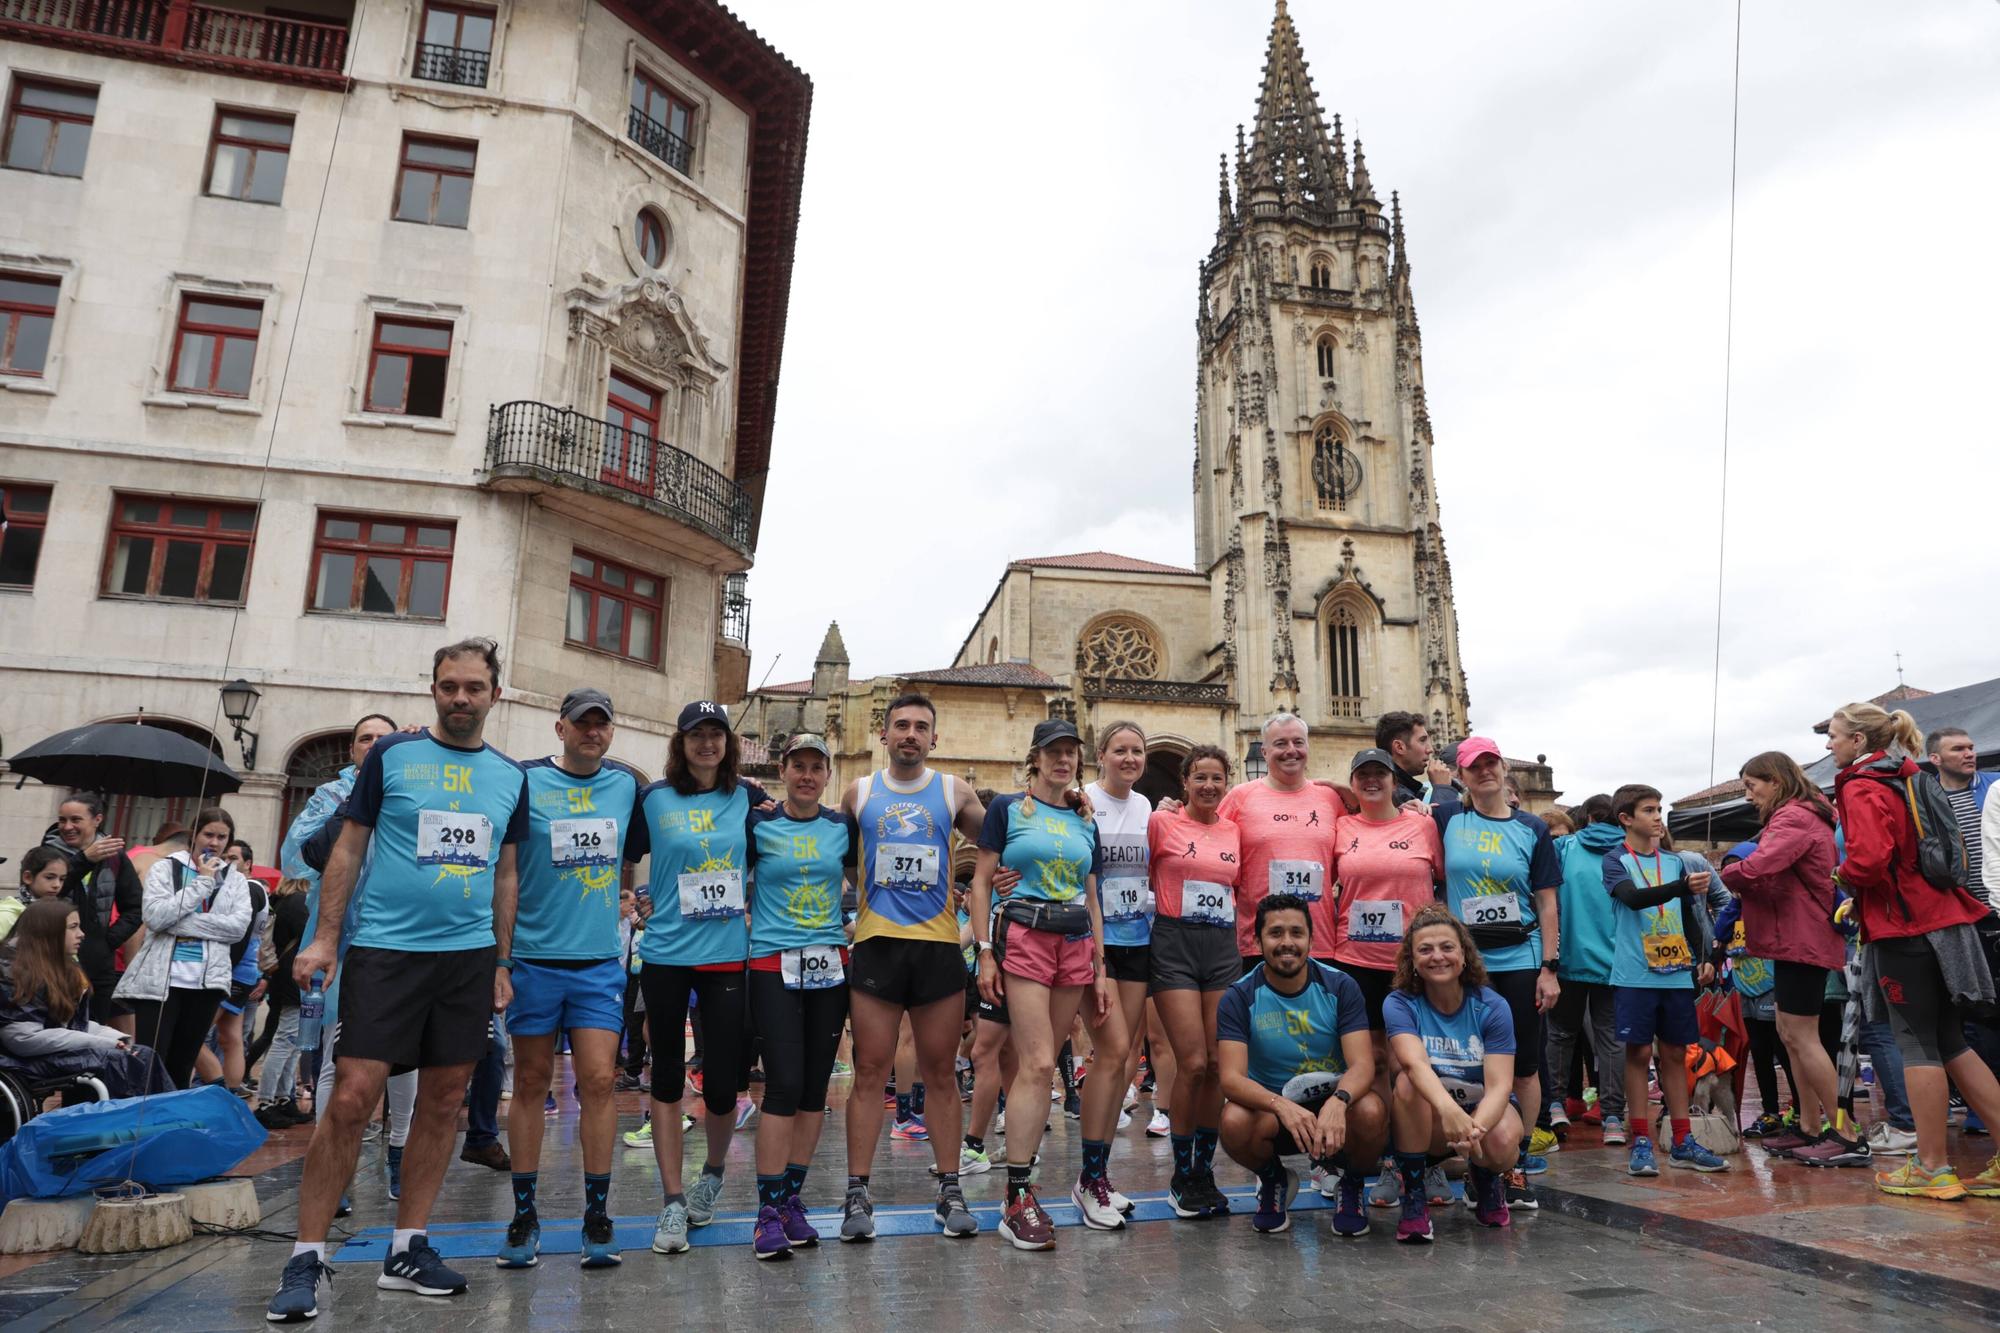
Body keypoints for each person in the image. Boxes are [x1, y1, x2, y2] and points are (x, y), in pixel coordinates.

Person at [265, 639, 529, 1321]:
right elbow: (348, 845)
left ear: (495, 694)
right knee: (353, 1096)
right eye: (449, 686)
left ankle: (408, 1246)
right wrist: (325, 936)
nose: (461, 697)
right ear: (434, 690)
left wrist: (501, 962)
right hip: (387, 950)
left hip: (467, 960)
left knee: (443, 1100)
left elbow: (504, 873)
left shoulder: (509, 776)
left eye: (474, 686)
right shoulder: (392, 755)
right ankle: (307, 1255)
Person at [1826, 702, 2000, 1200]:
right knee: (1952, 1042)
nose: (1829, 744)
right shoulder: (1911, 774)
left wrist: (1844, 879)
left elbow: (1869, 858)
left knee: (1916, 1043)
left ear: (1859, 742)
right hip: (1947, 918)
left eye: (1834, 735)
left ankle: (1931, 1166)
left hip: (1906, 928)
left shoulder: (1861, 785)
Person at [498, 688, 644, 1271]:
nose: (592, 732)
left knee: (600, 1082)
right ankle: (525, 1213)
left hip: (596, 962)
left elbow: (681, 812)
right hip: (532, 959)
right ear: (560, 728)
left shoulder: (627, 787)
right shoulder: (524, 780)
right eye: (581, 723)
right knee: (532, 1082)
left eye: (601, 724)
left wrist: (752, 795)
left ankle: (596, 1214)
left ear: (611, 732)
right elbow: (504, 871)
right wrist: (501, 960)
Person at [838, 693, 987, 1242]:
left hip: (937, 947)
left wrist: (1000, 879)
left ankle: (951, 1191)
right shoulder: (860, 793)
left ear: (934, 738)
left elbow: (995, 843)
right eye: (901, 724)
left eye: (921, 726)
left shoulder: (953, 790)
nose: (910, 733)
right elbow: (827, 854)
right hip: (878, 944)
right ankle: (857, 1192)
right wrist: (842, 915)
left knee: (941, 1072)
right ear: (884, 734)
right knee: (871, 1073)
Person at [626, 700, 766, 1255]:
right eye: (696, 735)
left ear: (727, 743)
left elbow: (779, 850)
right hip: (665, 954)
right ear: (680, 743)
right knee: (664, 1074)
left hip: (727, 955)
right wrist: (636, 897)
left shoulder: (749, 798)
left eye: (716, 734)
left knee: (725, 1078)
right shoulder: (654, 798)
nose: (707, 743)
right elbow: (623, 849)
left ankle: (711, 1173)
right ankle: (672, 1199)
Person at [972, 718, 1108, 1248]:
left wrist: (1101, 967)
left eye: (1071, 752)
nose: (1064, 759)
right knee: (1033, 1064)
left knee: (1047, 1064)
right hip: (1024, 933)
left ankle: (1022, 1190)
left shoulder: (1083, 818)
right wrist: (985, 951)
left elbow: (1091, 897)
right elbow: (981, 883)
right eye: (1054, 751)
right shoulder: (1007, 809)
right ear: (1036, 757)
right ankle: (1017, 1195)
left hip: (1073, 941)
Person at [1431, 736, 1560, 1206]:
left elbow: (1547, 902)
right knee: (1471, 1063)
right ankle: (1473, 1160)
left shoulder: (1532, 828)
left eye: (1491, 763)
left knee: (1524, 1066)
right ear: (1461, 776)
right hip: (1465, 962)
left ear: (1504, 769)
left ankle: (1514, 1162)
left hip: (1522, 957)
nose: (1484, 771)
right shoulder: (1446, 817)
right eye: (1474, 766)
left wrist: (1550, 967)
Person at [743, 733, 855, 1261]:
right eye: (798, 766)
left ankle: (791, 1200)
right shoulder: (759, 823)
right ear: (782, 771)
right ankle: (766, 1211)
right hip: (772, 964)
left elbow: (873, 874)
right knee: (783, 1084)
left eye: (816, 767)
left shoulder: (840, 827)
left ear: (828, 775)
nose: (807, 775)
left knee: (815, 1089)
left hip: (829, 968)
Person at [1715, 752, 1857, 1164]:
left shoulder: (1793, 818)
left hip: (1801, 936)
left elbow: (1760, 866)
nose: (1748, 795)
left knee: (1801, 1037)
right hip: (1795, 937)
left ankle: (1846, 1133)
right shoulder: (1805, 814)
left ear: (1775, 781)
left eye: (1751, 786)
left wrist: (1730, 873)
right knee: (1791, 1036)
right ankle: (1810, 1125)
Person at [1216, 893, 1384, 1237]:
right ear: (1257, 940)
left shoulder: (1340, 986)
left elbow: (1363, 1064)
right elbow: (1230, 1080)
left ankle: (1349, 1184)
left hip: (1331, 1112)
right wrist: (1282, 1106)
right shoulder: (1239, 996)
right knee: (1233, 1120)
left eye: (1296, 933)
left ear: (1311, 938)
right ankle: (1274, 1179)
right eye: (1276, 933)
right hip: (1275, 1113)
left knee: (1370, 1111)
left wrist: (1339, 1102)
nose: (1287, 943)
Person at [1325, 747, 1444, 1209]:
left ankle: (1424, 1159)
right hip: (1354, 959)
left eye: (1381, 774)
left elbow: (1444, 879)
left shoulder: (1423, 824)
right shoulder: (1341, 827)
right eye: (1363, 775)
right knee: (1371, 1062)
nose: (1372, 781)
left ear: (1395, 780)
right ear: (1353, 784)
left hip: (1410, 962)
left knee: (1410, 1063)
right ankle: (1387, 1160)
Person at [1601, 785, 1729, 1176]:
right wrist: (1681, 887)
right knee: (1639, 1054)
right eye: (1649, 810)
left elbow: (1693, 917)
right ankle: (1640, 1139)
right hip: (1635, 974)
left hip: (1675, 973)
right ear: (1626, 819)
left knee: (1676, 1055)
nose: (1658, 817)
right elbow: (1633, 899)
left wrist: (1707, 957)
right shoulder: (1615, 860)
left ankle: (1683, 1141)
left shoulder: (1675, 862)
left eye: (1659, 809)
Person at [1383, 906, 1526, 1242]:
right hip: (1432, 1116)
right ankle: (1414, 1194)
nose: (1438, 957)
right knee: (1406, 1083)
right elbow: (1415, 1064)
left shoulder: (1493, 1006)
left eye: (1447, 947)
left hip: (1480, 1113)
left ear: (1464, 955)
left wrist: (1474, 1131)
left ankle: (1485, 1175)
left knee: (1503, 1142)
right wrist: (1448, 1111)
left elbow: (1501, 1085)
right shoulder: (1400, 1003)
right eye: (1425, 949)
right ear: (1412, 960)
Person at [1148, 745, 1242, 1219]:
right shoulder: (1161, 823)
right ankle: (1182, 1173)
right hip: (1174, 943)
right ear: (1184, 783)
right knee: (1191, 1063)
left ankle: (1204, 1171)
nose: (1208, 786)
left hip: (1222, 948)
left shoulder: (1234, 830)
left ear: (1227, 783)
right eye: (1199, 777)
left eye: (1217, 778)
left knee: (1215, 1064)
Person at [113, 806, 253, 1091]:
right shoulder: (166, 868)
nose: (214, 842)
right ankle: (144, 1121)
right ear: (195, 835)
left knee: (183, 1063)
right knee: (152, 1061)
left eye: (221, 837)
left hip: (207, 983)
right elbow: (155, 917)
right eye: (208, 834)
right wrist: (201, 883)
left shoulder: (236, 879)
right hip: (162, 980)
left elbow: (237, 928)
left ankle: (170, 1124)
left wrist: (180, 923)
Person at [0, 898, 171, 1098]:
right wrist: (101, 1043)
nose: (81, 934)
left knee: (142, 1054)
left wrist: (117, 1039)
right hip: (18, 1059)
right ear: (48, 931)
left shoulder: (61, 966)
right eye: (73, 927)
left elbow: (75, 1025)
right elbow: (22, 1039)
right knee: (117, 1061)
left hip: (50, 1049)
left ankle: (164, 1120)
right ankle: (118, 1124)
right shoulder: (11, 970)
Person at [1083, 721, 1152, 1211]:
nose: (1129, 758)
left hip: (1138, 937)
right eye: (1120, 750)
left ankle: (1099, 1171)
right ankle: (1089, 1177)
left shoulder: (1147, 805)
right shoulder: (1080, 799)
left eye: (1137, 751)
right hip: (1093, 941)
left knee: (1125, 1055)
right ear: (1101, 754)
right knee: (1108, 1054)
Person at [1219, 714, 1342, 973]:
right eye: (1281, 744)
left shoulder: (1332, 799)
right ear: (1264, 752)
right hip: (1258, 943)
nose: (1291, 751)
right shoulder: (1239, 797)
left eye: (1298, 742)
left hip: (1318, 941)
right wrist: (1175, 811)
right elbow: (1207, 840)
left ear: (1308, 747)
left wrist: (1410, 807)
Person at [1546, 794, 1628, 1145]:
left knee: (1560, 1034)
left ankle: (1555, 1105)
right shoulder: (1629, 849)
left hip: (1569, 958)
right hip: (1617, 961)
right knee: (1611, 1040)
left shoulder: (1565, 847)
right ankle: (1612, 1117)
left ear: (1587, 818)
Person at [52, 794, 143, 1030]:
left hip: (99, 967)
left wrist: (106, 941)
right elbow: (47, 896)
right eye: (62, 820)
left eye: (76, 820)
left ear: (97, 820)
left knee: (93, 1033)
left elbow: (136, 907)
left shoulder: (114, 856)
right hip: (55, 962)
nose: (67, 827)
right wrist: (84, 860)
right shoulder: (49, 853)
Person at [254, 877, 314, 1129]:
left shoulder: (283, 900)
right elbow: (312, 935)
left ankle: (282, 1098)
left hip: (285, 977)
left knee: (292, 1042)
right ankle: (267, 1101)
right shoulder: (300, 902)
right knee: (286, 1041)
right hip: (294, 980)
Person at [1, 846, 72, 942]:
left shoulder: (60, 913)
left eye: (62, 879)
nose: (57, 885)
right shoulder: (7, 916)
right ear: (28, 877)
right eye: (49, 877)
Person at [1374, 711, 1436, 807]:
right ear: (1399, 747)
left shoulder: (1386, 789)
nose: (1430, 750)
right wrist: (1442, 788)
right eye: (1422, 740)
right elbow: (1439, 821)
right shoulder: (1398, 796)